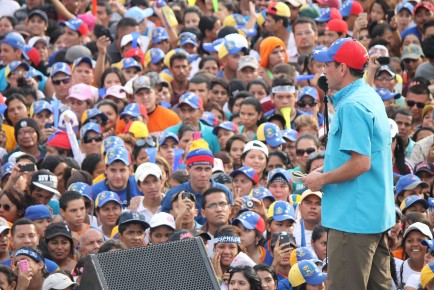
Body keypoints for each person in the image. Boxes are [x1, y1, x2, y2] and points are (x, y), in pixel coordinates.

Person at [303, 38, 395, 290]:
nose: (324, 70)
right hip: (372, 215)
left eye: (328, 64)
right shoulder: (366, 93)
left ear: (342, 69)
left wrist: (321, 180)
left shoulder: (352, 105)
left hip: (352, 220)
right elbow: (364, 157)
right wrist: (325, 169)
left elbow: (361, 164)